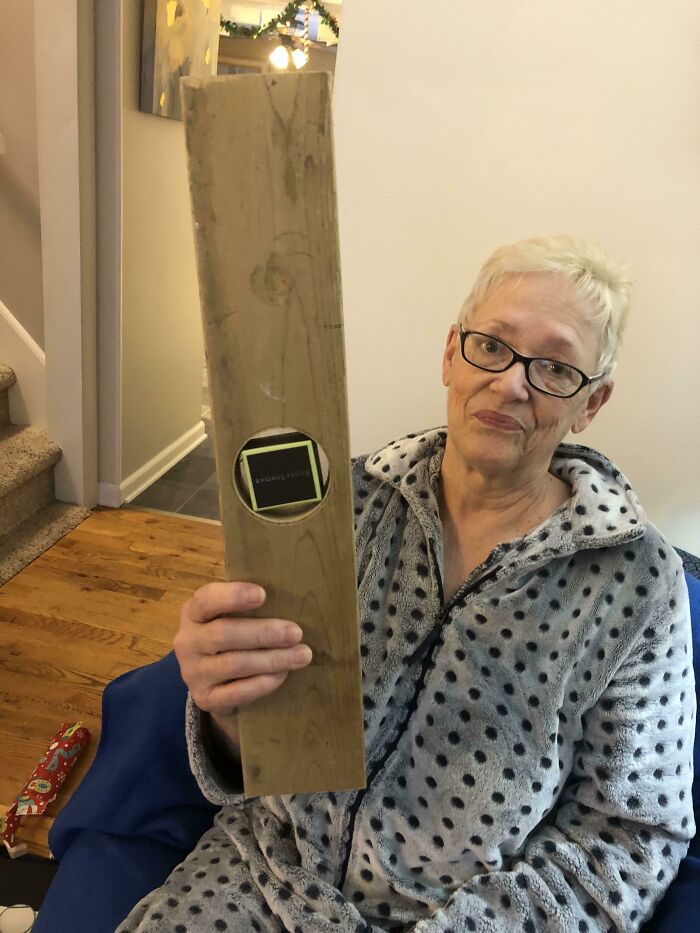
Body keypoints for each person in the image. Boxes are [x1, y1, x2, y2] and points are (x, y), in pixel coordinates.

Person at [117, 235, 695, 932]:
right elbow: (256, 744)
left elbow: (630, 836)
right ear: (451, 353)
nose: (511, 383)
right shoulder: (337, 505)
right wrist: (225, 710)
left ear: (591, 402)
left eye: (554, 367)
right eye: (492, 346)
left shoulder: (637, 583)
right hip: (261, 875)